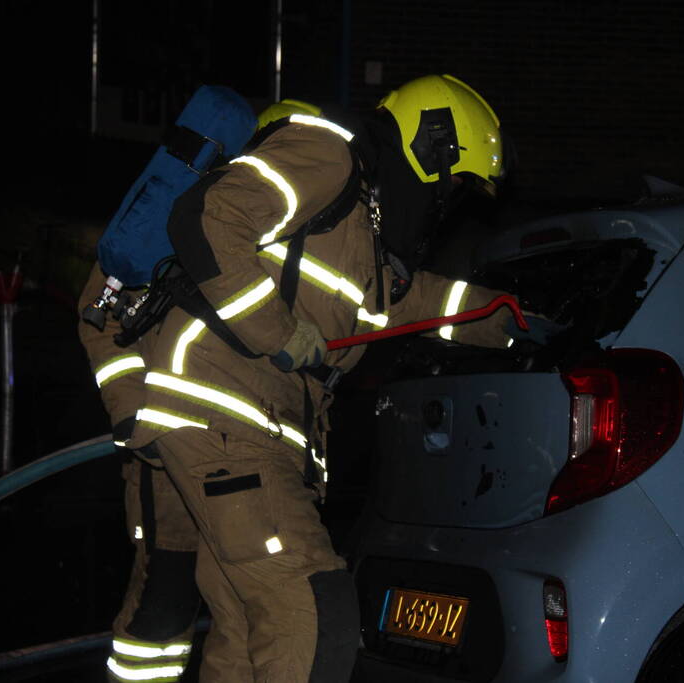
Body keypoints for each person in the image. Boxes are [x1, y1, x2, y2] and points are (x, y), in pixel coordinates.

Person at [79, 74, 549, 682]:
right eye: (456, 184)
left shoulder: (361, 235)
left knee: (245, 633)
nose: (447, 203)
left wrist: (510, 319)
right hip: (225, 415)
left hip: (251, 426)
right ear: (432, 145)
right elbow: (210, 216)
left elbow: (411, 302)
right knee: (311, 611)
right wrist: (276, 331)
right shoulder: (326, 155)